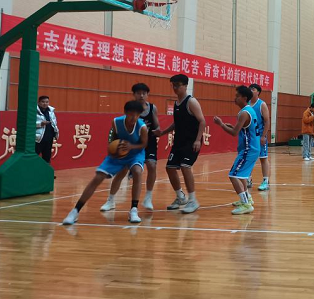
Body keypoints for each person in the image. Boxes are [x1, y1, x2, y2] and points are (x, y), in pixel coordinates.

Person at [62, 100, 148, 225]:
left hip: (135, 153)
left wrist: (131, 147)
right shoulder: (116, 122)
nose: (134, 117)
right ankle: (75, 211)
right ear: (125, 113)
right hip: (119, 154)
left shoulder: (142, 127)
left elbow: (144, 144)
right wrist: (113, 149)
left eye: (137, 115)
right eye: (131, 114)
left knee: (137, 171)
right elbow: (113, 139)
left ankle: (133, 210)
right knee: (98, 177)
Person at [100, 83, 162, 212]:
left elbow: (157, 125)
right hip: (130, 142)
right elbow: (117, 129)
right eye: (138, 93)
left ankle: (148, 197)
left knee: (151, 165)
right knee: (121, 172)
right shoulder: (130, 108)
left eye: (144, 93)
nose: (141, 95)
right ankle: (110, 200)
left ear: (147, 94)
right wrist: (113, 146)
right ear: (134, 94)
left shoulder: (152, 108)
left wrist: (157, 130)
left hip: (147, 142)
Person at [157, 74, 206, 214]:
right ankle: (180, 197)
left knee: (185, 166)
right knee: (170, 168)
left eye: (177, 85)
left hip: (191, 141)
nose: (175, 88)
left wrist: (198, 140)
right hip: (179, 141)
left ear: (185, 86)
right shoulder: (177, 103)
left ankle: (193, 200)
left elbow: (202, 121)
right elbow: (176, 123)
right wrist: (163, 132)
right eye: (173, 85)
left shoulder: (191, 102)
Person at [213, 86, 260, 215]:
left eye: (237, 96)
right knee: (242, 176)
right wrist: (230, 126)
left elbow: (234, 133)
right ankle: (248, 199)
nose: (235, 98)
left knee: (233, 175)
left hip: (249, 149)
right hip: (253, 148)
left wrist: (221, 124)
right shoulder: (249, 110)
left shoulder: (244, 113)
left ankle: (246, 204)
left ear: (244, 98)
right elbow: (243, 129)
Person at [247, 84, 271, 192]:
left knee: (263, 158)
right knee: (249, 158)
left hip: (259, 136)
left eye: (253, 89)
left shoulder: (262, 104)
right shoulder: (246, 103)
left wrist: (263, 136)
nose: (251, 90)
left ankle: (266, 181)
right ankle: (248, 179)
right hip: (249, 136)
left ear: (258, 92)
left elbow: (267, 121)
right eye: (250, 89)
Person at [35, 95, 59, 170]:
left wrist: (56, 133)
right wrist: (41, 124)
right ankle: (32, 172)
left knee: (47, 156)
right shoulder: (34, 111)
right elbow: (29, 123)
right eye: (43, 102)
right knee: (34, 156)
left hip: (49, 137)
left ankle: (46, 172)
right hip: (38, 138)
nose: (45, 103)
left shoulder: (51, 111)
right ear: (38, 102)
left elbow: (54, 123)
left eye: (47, 102)